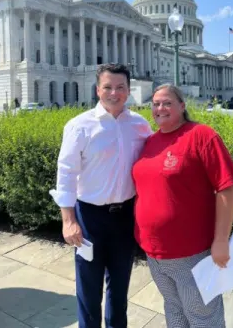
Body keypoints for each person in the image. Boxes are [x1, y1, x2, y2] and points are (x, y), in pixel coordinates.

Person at [49, 63, 154, 328]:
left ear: (129, 90)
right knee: (88, 290)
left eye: (120, 87)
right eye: (107, 87)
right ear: (98, 90)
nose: (114, 93)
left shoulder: (140, 125)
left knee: (119, 291)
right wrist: (68, 220)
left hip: (125, 218)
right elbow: (66, 172)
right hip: (89, 218)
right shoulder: (79, 125)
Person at [131, 84, 233, 328]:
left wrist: (221, 240)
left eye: (167, 103)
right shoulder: (150, 142)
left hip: (191, 253)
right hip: (153, 251)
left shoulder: (201, 136)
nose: (160, 108)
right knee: (174, 310)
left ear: (182, 106)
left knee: (203, 317)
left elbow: (226, 188)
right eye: (156, 103)